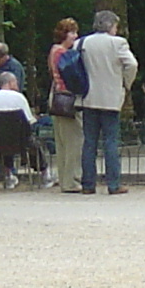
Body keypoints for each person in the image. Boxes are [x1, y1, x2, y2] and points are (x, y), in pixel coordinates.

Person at [74, 9, 141, 194]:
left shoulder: (81, 43)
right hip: (110, 98)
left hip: (87, 97)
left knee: (89, 142)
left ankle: (88, 184)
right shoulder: (118, 43)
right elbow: (132, 64)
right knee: (111, 141)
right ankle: (113, 183)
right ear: (111, 25)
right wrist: (125, 83)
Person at [0, 70, 40, 189]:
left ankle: (8, 174)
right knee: (31, 140)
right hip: (19, 141)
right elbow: (29, 122)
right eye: (15, 82)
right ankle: (44, 171)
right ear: (10, 83)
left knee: (3, 137)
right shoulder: (19, 98)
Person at [43, 19, 83, 189]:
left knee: (61, 141)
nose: (75, 36)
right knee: (74, 139)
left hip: (56, 97)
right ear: (64, 34)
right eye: (72, 32)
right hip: (67, 98)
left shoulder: (53, 51)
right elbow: (72, 77)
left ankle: (64, 178)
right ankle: (72, 181)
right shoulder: (64, 53)